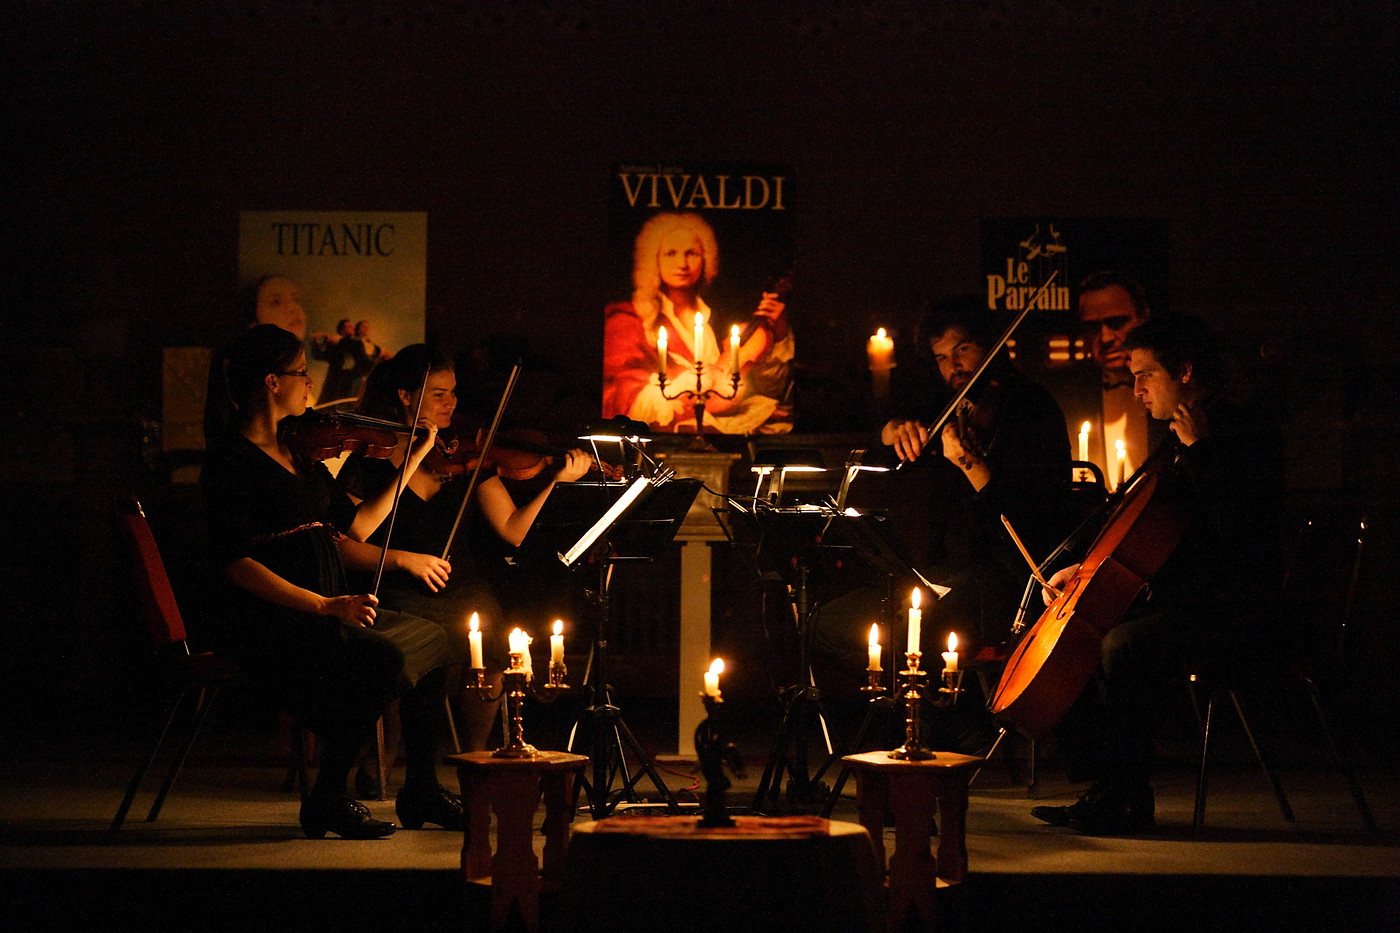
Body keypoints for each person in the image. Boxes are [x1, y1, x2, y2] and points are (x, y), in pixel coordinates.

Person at [201, 324, 466, 838]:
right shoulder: (230, 461)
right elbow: (235, 564)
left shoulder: (300, 453)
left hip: (328, 605)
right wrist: (323, 606)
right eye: (302, 374)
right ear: (273, 382)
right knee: (379, 658)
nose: (310, 387)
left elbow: (358, 527)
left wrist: (410, 461)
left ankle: (423, 789)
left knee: (436, 638)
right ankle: (327, 797)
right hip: (273, 617)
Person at [1028, 313, 1284, 834]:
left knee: (1123, 646)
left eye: (1146, 374)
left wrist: (1203, 452)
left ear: (1185, 371)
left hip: (1236, 613)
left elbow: (1238, 541)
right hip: (1189, 599)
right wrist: (1090, 570)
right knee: (1089, 628)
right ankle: (1109, 786)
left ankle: (1126, 796)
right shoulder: (1180, 438)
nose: (1136, 387)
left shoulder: (1241, 434)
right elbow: (1156, 537)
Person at [340, 343, 593, 751]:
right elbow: (348, 543)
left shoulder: (463, 456)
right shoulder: (367, 462)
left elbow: (514, 530)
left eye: (453, 393)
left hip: (461, 586)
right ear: (406, 396)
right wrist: (404, 562)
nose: (451, 403)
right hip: (396, 590)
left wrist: (556, 482)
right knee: (397, 651)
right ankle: (386, 762)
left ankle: (476, 755)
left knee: (492, 638)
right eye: (439, 394)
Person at [876, 297, 1073, 651]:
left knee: (907, 630)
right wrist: (893, 429)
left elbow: (1025, 521)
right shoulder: (945, 403)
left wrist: (968, 461)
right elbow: (887, 431)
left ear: (989, 344)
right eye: (941, 357)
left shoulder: (1031, 408)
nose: (953, 365)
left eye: (962, 349)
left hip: (1009, 575)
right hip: (951, 566)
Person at [602, 211, 794, 434]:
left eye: (691, 253)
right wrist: (680, 386)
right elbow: (619, 397)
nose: (682, 264)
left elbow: (772, 388)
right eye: (671, 253)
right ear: (653, 259)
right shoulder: (627, 320)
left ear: (705, 259)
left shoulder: (720, 316)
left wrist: (778, 332)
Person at [1067, 270, 1164, 488]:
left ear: (1143, 317)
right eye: (1092, 327)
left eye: (1117, 322)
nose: (1106, 337)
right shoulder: (1070, 395)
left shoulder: (1172, 387)